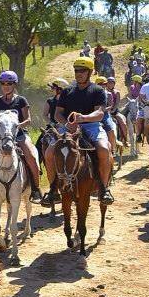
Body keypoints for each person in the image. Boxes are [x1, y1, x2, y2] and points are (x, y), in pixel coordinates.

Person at [41, 56, 115, 206]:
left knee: (103, 149)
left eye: (82, 70)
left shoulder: (98, 90)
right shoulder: (67, 91)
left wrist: (83, 118)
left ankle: (104, 187)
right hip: (68, 126)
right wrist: (67, 123)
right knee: (49, 153)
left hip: (91, 126)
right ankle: (53, 189)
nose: (79, 73)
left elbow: (100, 113)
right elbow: (57, 114)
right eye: (76, 70)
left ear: (90, 72)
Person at [0, 70, 42, 201]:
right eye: (3, 83)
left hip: (19, 134)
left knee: (30, 156)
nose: (6, 86)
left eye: (9, 83)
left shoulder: (21, 101)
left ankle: (36, 188)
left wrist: (17, 126)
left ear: (14, 85)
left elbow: (28, 120)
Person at [95, 76, 117, 146]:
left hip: (105, 115)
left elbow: (110, 106)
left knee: (111, 129)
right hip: (94, 115)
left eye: (104, 84)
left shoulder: (108, 94)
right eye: (100, 84)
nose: (103, 85)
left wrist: (102, 110)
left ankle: (112, 148)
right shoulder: (92, 94)